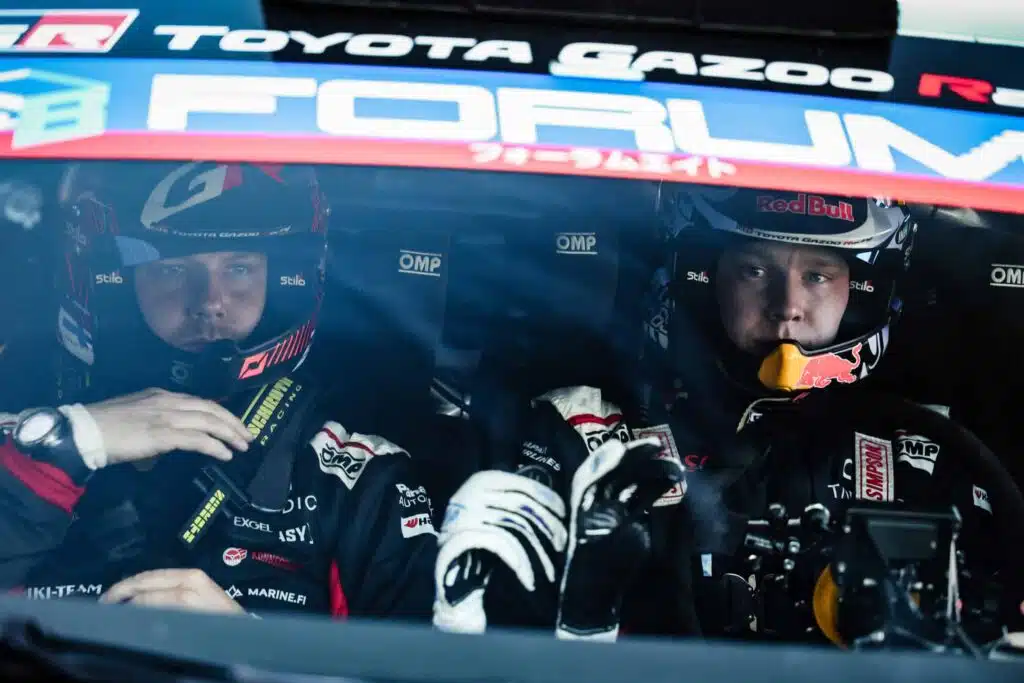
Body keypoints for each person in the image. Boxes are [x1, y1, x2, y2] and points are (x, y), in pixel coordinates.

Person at [433, 185, 1024, 646]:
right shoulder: (584, 431)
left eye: (818, 275)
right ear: (704, 277)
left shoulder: (926, 455)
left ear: (861, 290)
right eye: (754, 270)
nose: (788, 307)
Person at [0, 161, 438, 620]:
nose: (210, 302)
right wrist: (65, 448)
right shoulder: (23, 437)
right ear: (119, 281)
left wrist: (244, 645)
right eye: (171, 269)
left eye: (239, 268)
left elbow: (421, 656)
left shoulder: (354, 478)